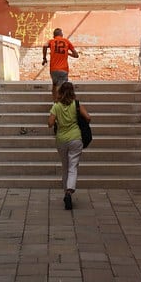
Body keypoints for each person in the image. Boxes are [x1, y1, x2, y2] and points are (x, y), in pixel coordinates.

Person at [48, 81, 91, 209]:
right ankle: (69, 191)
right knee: (73, 166)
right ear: (73, 92)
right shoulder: (76, 105)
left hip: (61, 139)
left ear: (60, 92)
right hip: (76, 138)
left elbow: (50, 123)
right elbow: (88, 118)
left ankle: (66, 190)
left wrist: (56, 119)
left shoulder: (56, 106)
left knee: (65, 166)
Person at [42, 27, 79, 100]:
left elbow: (45, 45)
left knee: (54, 85)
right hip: (63, 69)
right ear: (61, 34)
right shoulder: (66, 41)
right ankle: (59, 104)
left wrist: (44, 58)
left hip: (53, 69)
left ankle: (55, 102)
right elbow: (76, 55)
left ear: (54, 35)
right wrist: (68, 54)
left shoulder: (51, 41)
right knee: (61, 88)